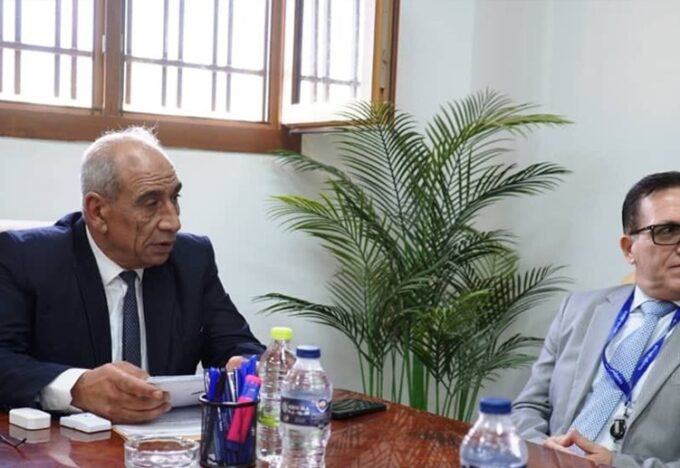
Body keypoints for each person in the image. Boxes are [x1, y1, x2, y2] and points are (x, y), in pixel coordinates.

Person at [0, 127, 265, 423]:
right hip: (65, 442)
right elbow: (4, 359)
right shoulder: (27, 258)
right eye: (151, 203)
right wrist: (77, 387)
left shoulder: (191, 259)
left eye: (174, 198)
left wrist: (249, 364)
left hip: (167, 441)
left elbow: (236, 344)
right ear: (97, 211)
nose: (173, 222)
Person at [512, 171, 680, 467]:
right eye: (667, 231)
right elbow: (528, 406)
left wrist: (614, 464)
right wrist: (543, 449)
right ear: (629, 249)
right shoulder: (578, 310)